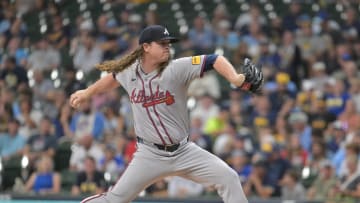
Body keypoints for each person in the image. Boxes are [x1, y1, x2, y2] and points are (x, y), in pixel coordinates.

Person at [70, 25, 263, 203]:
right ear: (146, 47)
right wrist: (87, 92)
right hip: (149, 154)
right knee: (114, 200)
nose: (167, 46)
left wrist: (236, 78)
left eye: (168, 43)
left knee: (228, 177)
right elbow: (112, 79)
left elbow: (214, 60)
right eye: (162, 43)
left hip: (184, 151)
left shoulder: (176, 68)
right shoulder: (129, 72)